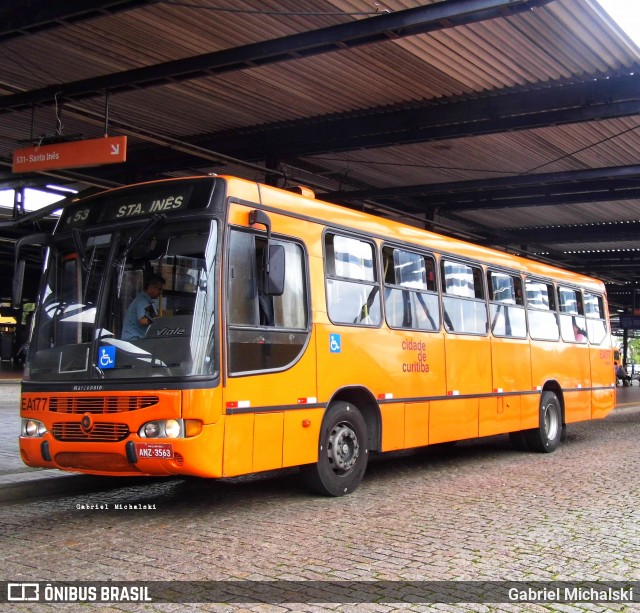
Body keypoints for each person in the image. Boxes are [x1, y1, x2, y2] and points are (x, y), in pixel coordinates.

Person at [122, 273, 165, 340]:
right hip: (133, 340)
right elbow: (143, 321)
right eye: (159, 289)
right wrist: (158, 323)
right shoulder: (143, 301)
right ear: (151, 287)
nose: (160, 292)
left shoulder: (148, 301)